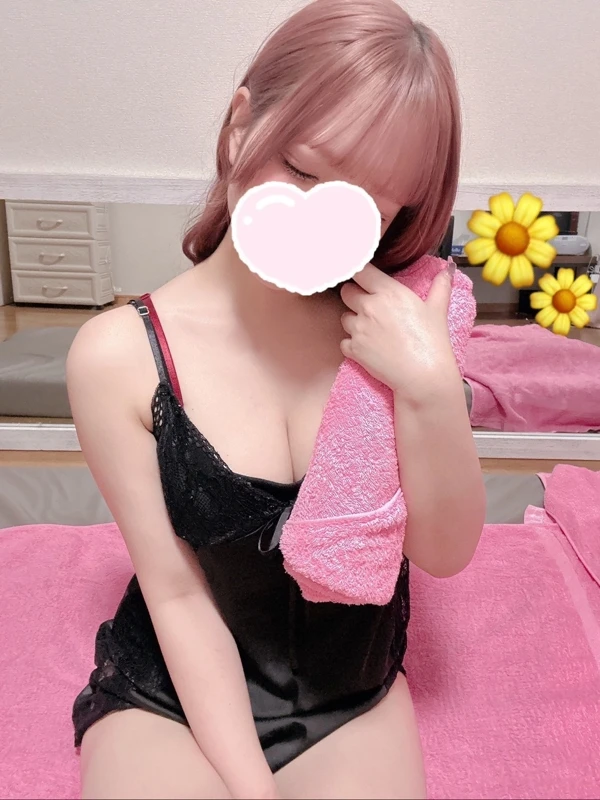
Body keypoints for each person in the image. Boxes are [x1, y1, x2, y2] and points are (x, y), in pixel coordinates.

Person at [67, 0, 486, 797]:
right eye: (303, 169)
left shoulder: (402, 329)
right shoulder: (118, 357)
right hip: (169, 698)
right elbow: (177, 592)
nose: (324, 213)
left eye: (373, 202)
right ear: (239, 127)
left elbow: (443, 551)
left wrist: (432, 386)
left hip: (350, 695)